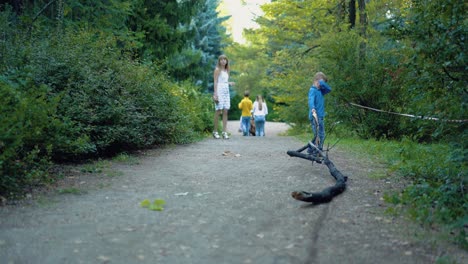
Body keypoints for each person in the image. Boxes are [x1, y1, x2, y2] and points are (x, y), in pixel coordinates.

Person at [308, 72, 332, 155]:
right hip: (315, 115)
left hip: (321, 116)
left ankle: (313, 148)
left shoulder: (321, 91)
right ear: (315, 81)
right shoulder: (312, 90)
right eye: (320, 82)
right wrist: (313, 109)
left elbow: (329, 89)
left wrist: (322, 82)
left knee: (321, 133)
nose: (321, 85)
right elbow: (311, 100)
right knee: (317, 134)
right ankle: (316, 149)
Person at [212, 55, 235, 139]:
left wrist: (229, 83)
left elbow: (224, 81)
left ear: (226, 61)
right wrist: (215, 94)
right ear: (219, 61)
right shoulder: (217, 70)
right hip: (219, 91)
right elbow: (215, 82)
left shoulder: (227, 70)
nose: (223, 61)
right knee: (218, 111)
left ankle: (224, 132)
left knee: (225, 111)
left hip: (226, 91)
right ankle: (215, 131)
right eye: (221, 59)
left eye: (225, 59)